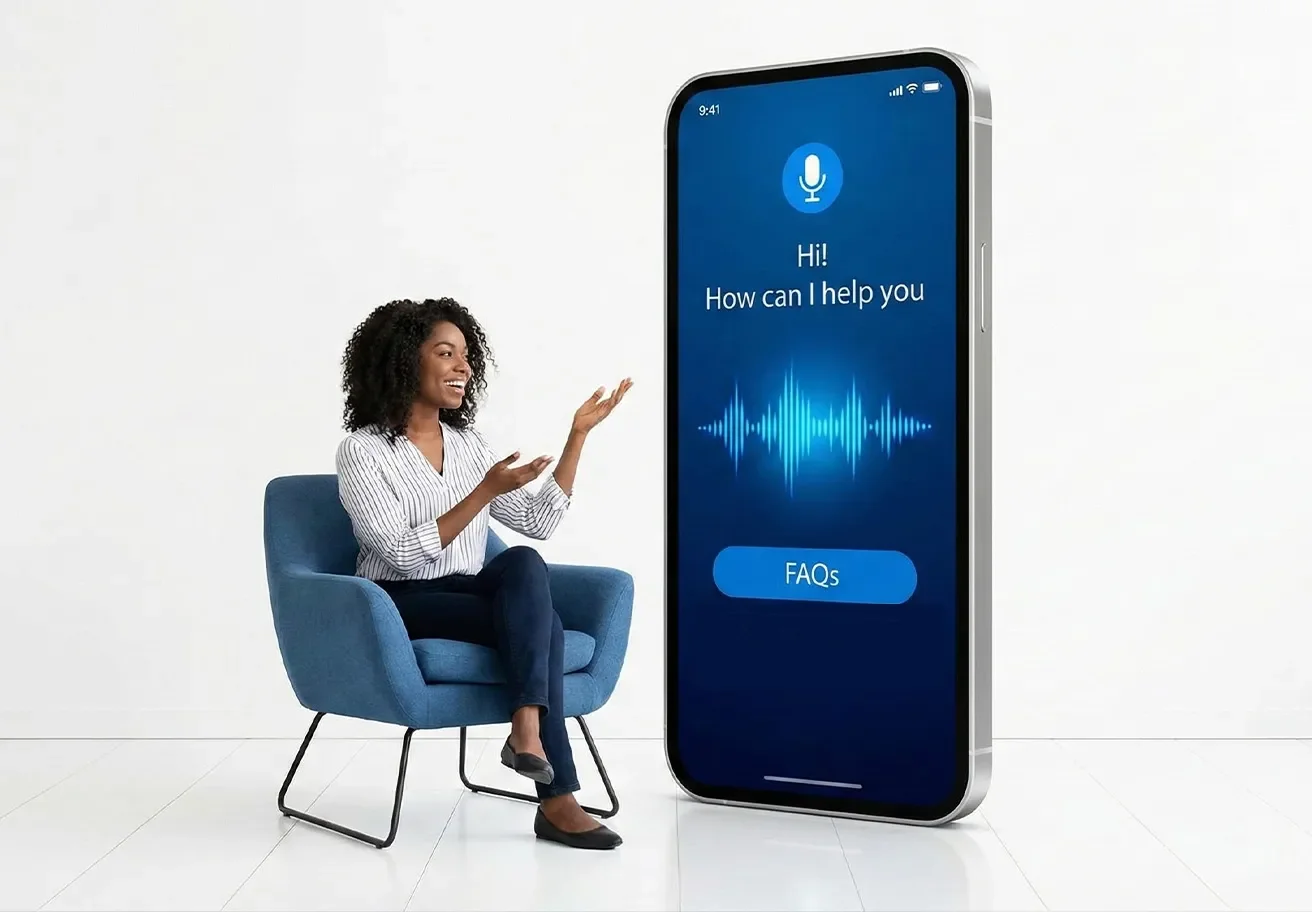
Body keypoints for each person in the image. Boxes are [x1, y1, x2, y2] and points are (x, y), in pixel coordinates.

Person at [334, 297, 632, 850]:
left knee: (523, 561)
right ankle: (558, 799)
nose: (463, 367)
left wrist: (577, 438)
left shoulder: (470, 445)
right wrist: (485, 492)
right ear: (404, 360)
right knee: (546, 628)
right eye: (445, 353)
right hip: (399, 601)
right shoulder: (362, 450)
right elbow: (399, 553)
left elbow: (537, 522)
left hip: (466, 590)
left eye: (466, 356)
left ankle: (526, 730)